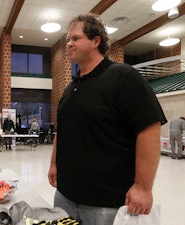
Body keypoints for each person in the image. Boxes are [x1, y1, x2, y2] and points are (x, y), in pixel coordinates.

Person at [47, 13, 167, 225]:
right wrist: (54, 163)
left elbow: (148, 130)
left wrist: (142, 187)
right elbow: (62, 130)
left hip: (104, 204)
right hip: (65, 196)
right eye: (68, 40)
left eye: (75, 38)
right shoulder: (71, 87)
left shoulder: (123, 77)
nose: (68, 44)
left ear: (96, 41)